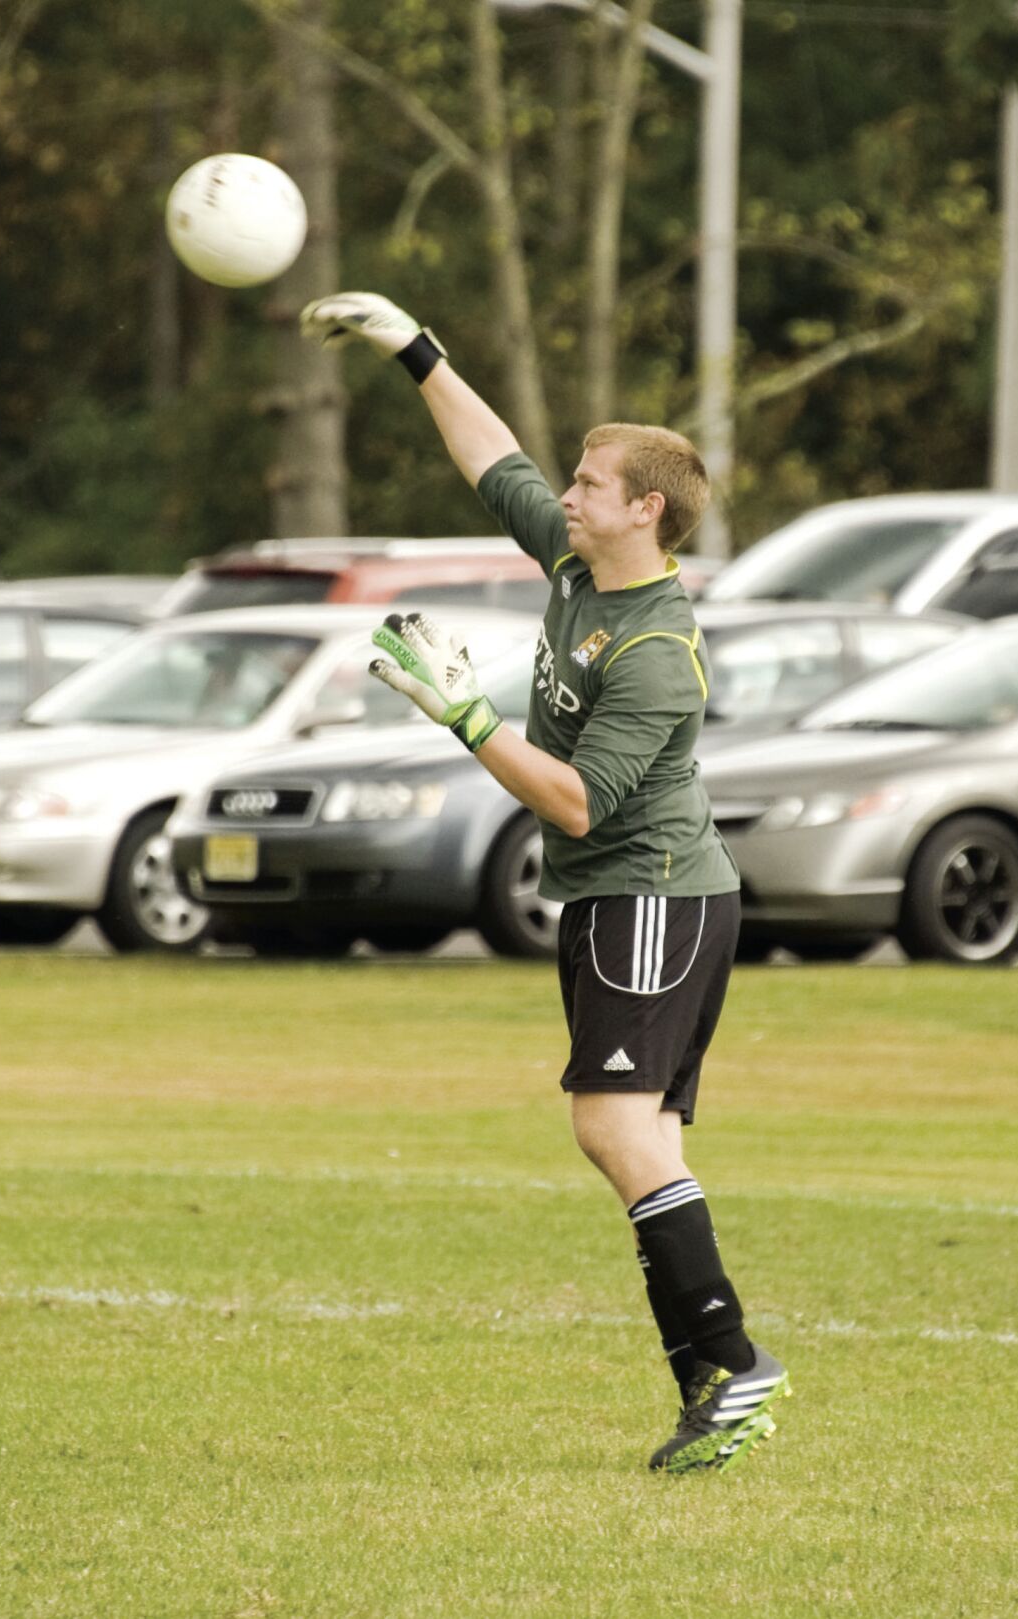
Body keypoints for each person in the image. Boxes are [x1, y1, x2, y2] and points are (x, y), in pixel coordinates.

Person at [300, 291, 791, 1475]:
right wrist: (416, 346)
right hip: (625, 898)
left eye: (588, 482)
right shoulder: (577, 562)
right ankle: (714, 1385)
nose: (564, 493)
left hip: (653, 896)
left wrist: (463, 713)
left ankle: (732, 1361)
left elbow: (576, 802)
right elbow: (491, 455)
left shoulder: (656, 649)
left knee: (612, 1124)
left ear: (645, 510)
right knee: (640, 1135)